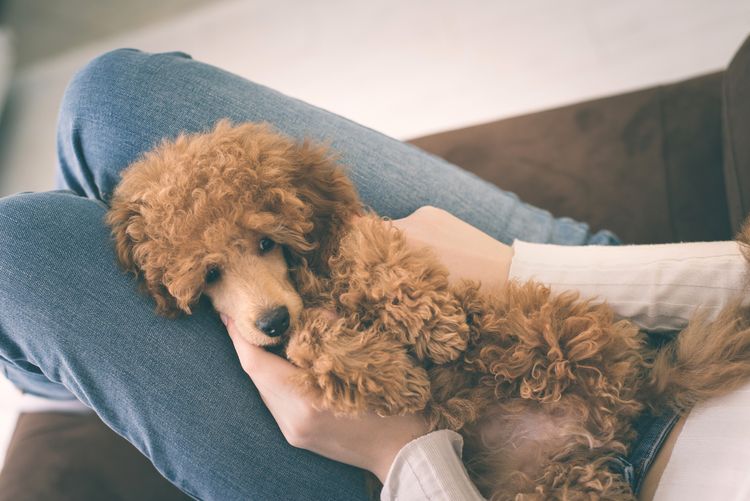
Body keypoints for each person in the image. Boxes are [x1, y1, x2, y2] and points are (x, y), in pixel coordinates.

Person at [0, 49, 747, 501]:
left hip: (470, 474)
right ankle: (64, 384)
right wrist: (515, 267)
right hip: (638, 340)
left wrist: (399, 451)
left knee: (15, 251)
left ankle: (58, 385)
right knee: (116, 95)